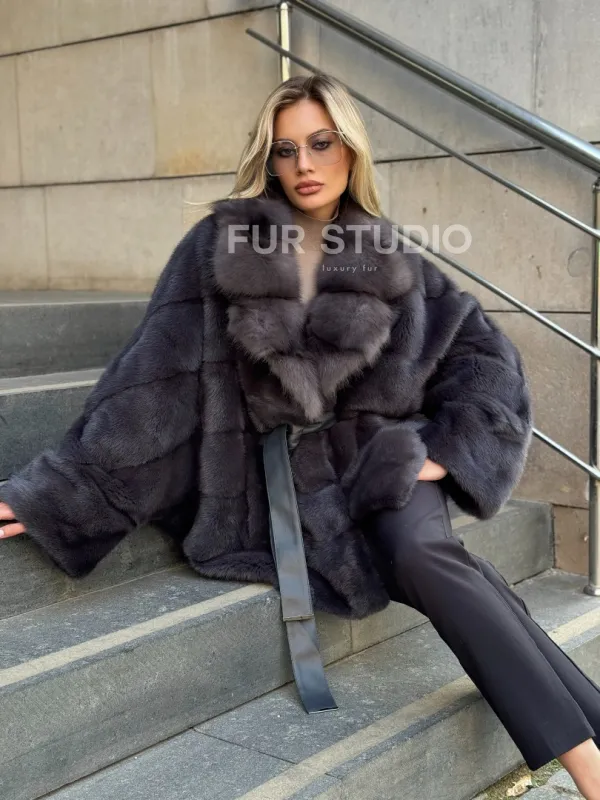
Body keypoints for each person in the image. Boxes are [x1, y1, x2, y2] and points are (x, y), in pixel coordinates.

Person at [1, 73, 600, 796]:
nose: (305, 164)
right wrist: (61, 492)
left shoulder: (386, 252)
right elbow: (151, 383)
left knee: (421, 553)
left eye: (322, 143)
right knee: (448, 570)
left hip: (382, 459)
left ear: (351, 150)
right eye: (286, 150)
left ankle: (586, 767)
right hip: (275, 481)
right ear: (270, 159)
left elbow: (485, 360)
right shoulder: (222, 246)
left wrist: (448, 453)